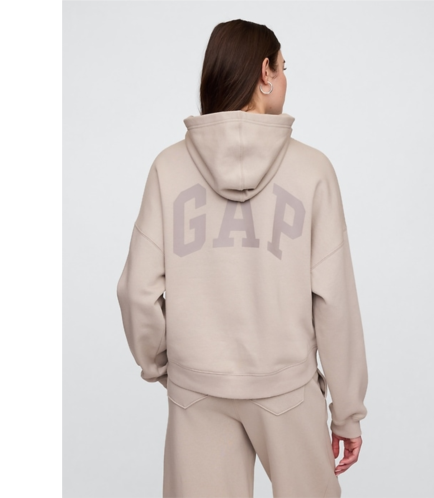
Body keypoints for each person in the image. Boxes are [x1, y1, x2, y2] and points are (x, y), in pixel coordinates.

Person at [117, 19, 368, 498]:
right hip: (287, 390)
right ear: (265, 73)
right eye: (284, 67)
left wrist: (165, 366)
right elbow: (335, 302)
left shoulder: (168, 168)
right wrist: (348, 412)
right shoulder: (313, 171)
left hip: (197, 392)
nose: (285, 78)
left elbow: (137, 291)